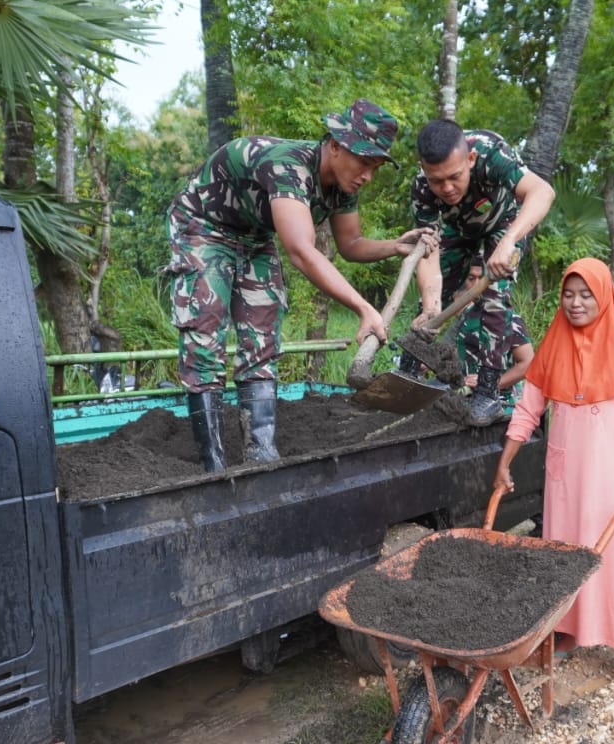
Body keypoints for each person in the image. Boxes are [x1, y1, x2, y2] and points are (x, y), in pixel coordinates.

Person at [165, 99, 435, 472]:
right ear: (336, 146)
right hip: (204, 227)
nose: (367, 176)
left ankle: (260, 454)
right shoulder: (287, 165)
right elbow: (301, 251)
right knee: (205, 333)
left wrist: (396, 246)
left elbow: (351, 245)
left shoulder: (343, 185)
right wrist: (363, 308)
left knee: (262, 337)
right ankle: (213, 466)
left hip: (254, 235)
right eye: (364, 163)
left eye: (375, 167)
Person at [494, 258, 614, 683]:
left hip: (610, 472)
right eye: (569, 294)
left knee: (612, 551)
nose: (575, 302)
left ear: (604, 295)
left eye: (586, 294)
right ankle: (569, 631)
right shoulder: (553, 343)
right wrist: (505, 461)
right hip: (565, 473)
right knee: (564, 550)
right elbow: (528, 408)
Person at [407, 119, 555, 425]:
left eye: (454, 177)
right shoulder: (422, 188)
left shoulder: (490, 153)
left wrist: (510, 241)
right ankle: (407, 375)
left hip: (503, 224)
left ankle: (488, 394)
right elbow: (428, 251)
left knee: (494, 294)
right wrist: (433, 303)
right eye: (437, 181)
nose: (446, 188)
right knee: (429, 305)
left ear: (470, 160)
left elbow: (542, 192)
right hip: (456, 230)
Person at [457, 256, 535, 406]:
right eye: (471, 278)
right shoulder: (467, 314)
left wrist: (490, 384)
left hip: (501, 402)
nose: (476, 284)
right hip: (466, 399)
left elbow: (528, 363)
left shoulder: (507, 318)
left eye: (482, 278)